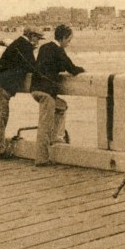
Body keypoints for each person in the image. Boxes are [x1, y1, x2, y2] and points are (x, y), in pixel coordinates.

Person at [0, 27, 45, 160]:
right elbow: (32, 67)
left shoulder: (16, 44)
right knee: (0, 117)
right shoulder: (24, 46)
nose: (38, 42)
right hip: (2, 85)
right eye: (37, 38)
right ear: (31, 36)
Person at [31, 24, 85, 167]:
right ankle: (41, 158)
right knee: (45, 125)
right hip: (46, 92)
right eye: (69, 40)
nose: (69, 43)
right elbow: (72, 68)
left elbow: (50, 65)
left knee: (61, 106)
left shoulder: (44, 47)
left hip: (35, 89)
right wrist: (82, 69)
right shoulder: (58, 50)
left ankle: (57, 137)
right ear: (63, 38)